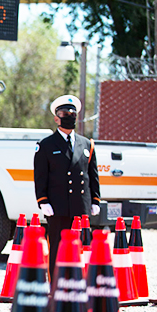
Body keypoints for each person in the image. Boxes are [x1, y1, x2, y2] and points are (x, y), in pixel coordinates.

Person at [33, 95, 100, 276]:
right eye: (65, 113)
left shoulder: (87, 144)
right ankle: (56, 283)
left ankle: (81, 282)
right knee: (57, 246)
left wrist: (95, 200)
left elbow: (92, 175)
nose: (69, 116)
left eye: (72, 113)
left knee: (81, 247)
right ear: (56, 118)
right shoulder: (46, 145)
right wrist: (43, 200)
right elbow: (40, 176)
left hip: (80, 206)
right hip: (57, 206)